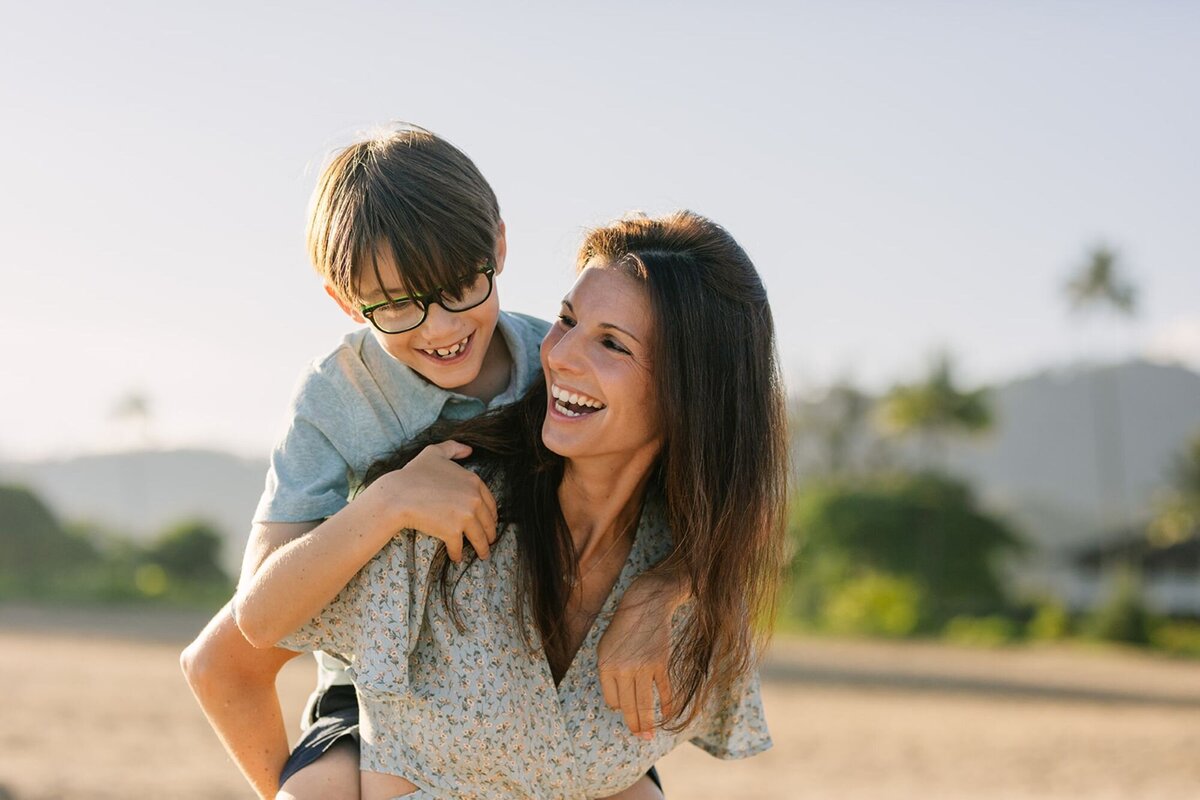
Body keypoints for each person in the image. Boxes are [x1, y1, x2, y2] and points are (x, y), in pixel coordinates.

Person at [180, 125, 681, 800]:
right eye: (395, 306)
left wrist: (667, 588)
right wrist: (390, 502)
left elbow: (723, 484)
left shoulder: (558, 360)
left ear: (498, 247)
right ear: (343, 299)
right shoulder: (335, 400)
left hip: (547, 690)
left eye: (460, 288)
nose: (441, 328)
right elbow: (259, 616)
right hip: (381, 689)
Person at [234, 211, 789, 799]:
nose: (559, 356)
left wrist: (667, 588)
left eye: (610, 343)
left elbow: (741, 499)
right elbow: (232, 654)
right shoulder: (439, 507)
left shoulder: (692, 572)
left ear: (692, 389)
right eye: (566, 320)